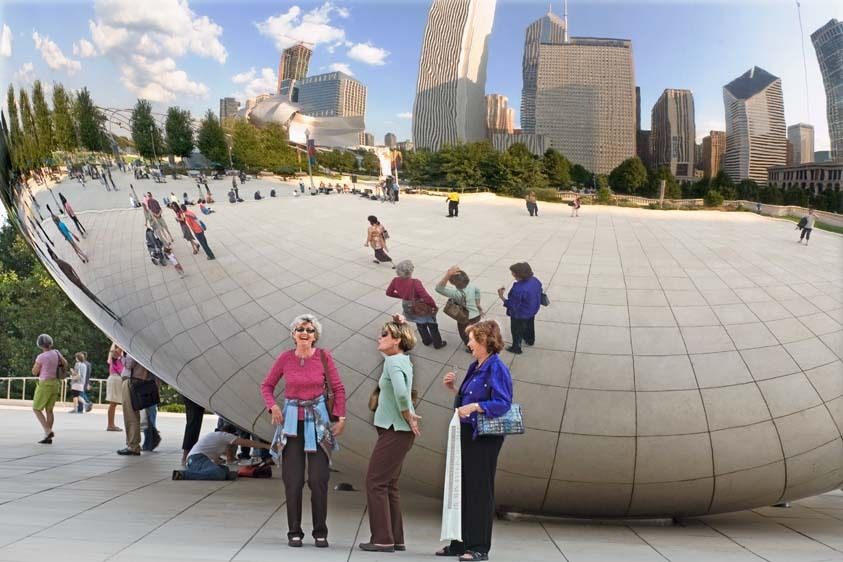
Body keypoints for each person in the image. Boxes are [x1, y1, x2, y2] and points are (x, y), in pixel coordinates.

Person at [260, 314, 347, 548]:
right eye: (300, 329)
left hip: (318, 424)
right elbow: (267, 386)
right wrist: (273, 406)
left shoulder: (323, 357)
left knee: (319, 479)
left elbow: (338, 388)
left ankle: (320, 531)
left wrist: (340, 416)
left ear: (315, 336)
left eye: (309, 330)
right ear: (293, 334)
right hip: (291, 425)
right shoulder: (285, 358)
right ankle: (294, 531)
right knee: (292, 480)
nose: (305, 333)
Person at [437, 321, 513, 562]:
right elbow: (467, 397)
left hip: (484, 438)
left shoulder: (496, 368)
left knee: (479, 491)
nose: (468, 343)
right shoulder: (475, 366)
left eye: (471, 339)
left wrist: (476, 406)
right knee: (462, 488)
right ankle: (459, 544)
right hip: (467, 434)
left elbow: (503, 403)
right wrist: (453, 389)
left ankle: (479, 547)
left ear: (484, 341)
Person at [359, 316, 421, 553]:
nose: (379, 337)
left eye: (384, 334)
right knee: (389, 484)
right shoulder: (403, 359)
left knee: (374, 482)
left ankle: (382, 539)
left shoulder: (393, 363)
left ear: (396, 341)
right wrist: (401, 323)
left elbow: (402, 392)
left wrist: (407, 413)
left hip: (395, 430)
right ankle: (395, 538)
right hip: (399, 432)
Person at [386, 260, 447, 349]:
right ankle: (438, 343)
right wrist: (433, 305)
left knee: (420, 324)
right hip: (421, 307)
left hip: (408, 307)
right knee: (432, 325)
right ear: (410, 271)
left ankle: (426, 341)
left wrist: (403, 296)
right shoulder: (415, 282)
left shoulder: (395, 280)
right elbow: (426, 297)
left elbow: (389, 293)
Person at [175, 424, 269, 481]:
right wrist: (267, 446)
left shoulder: (218, 438)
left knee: (226, 471)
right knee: (218, 473)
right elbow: (247, 443)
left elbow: (225, 461)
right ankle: (183, 475)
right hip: (196, 459)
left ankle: (196, 471)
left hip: (196, 460)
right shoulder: (225, 436)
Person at [498, 262, 543, 355]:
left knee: (516, 330)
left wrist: (501, 296)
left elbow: (512, 305)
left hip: (520, 314)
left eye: (513, 272)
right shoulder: (535, 280)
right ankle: (530, 340)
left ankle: (516, 347)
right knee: (530, 325)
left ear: (518, 275)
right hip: (532, 309)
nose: (512, 274)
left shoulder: (519, 289)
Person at [436, 266, 483, 350]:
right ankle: (479, 344)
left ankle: (471, 348)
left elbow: (438, 288)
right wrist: (478, 303)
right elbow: (477, 291)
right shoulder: (471, 285)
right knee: (476, 332)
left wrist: (448, 275)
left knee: (465, 333)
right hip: (476, 315)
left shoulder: (456, 294)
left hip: (465, 318)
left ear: (454, 283)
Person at [31, 334, 66, 444]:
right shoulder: (56, 352)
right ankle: (48, 437)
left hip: (44, 384)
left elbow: (34, 372)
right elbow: (65, 364)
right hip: (55, 383)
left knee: (36, 408)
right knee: (49, 410)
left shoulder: (41, 357)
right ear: (50, 342)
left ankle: (48, 430)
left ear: (39, 344)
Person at [117, 354, 147, 456]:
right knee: (134, 415)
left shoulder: (133, 348)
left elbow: (129, 364)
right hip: (136, 381)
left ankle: (133, 446)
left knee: (130, 415)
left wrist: (121, 357)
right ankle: (133, 444)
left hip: (131, 381)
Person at [181, 395, 206, 465]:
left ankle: (187, 455)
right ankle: (187, 455)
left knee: (193, 424)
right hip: (194, 396)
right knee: (193, 425)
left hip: (190, 394)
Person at [105, 344, 124, 431]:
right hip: (115, 379)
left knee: (114, 404)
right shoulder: (114, 353)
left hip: (116, 379)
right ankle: (110, 425)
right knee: (113, 403)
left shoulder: (117, 356)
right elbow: (117, 350)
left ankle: (111, 424)